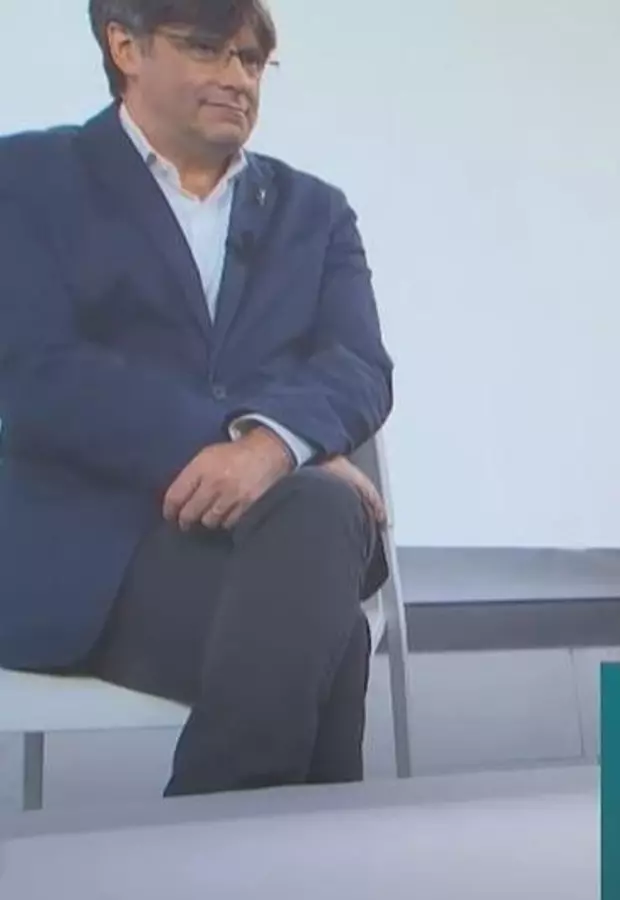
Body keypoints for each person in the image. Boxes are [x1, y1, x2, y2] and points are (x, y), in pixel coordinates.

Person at [0, 0, 394, 795]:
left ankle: (195, 849)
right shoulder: (27, 179)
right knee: (333, 640)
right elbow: (38, 371)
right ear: (125, 46)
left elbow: (358, 366)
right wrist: (249, 441)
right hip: (87, 558)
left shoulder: (315, 212)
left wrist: (275, 448)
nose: (237, 78)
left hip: (267, 548)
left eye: (251, 60)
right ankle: (246, 852)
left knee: (319, 517)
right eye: (208, 50)